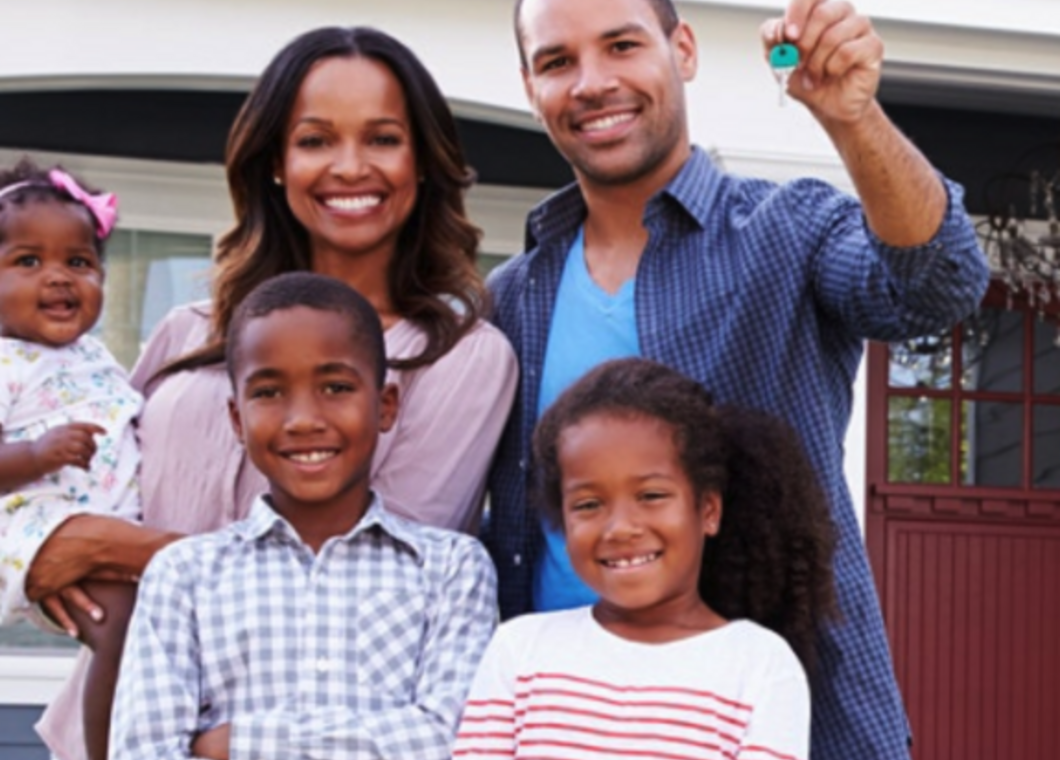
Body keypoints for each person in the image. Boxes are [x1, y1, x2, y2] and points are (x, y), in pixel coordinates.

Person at [483, 0, 990, 757]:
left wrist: (853, 120)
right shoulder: (512, 297)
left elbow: (936, 286)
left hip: (782, 729)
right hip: (560, 728)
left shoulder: (786, 232)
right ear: (531, 87)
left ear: (682, 49)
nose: (592, 82)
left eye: (622, 46)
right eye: (558, 61)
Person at [31, 26, 517, 760]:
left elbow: (372, 568)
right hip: (116, 725)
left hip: (321, 738)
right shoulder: (186, 332)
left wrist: (113, 549)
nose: (350, 167)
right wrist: (48, 550)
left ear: (422, 163)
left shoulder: (459, 356)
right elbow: (83, 499)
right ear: (277, 165)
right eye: (316, 140)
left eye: (382, 139)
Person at [109, 272, 498, 760]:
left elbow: (452, 737)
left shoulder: (450, 569)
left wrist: (235, 744)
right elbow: (144, 751)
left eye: (335, 387)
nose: (303, 419)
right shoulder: (184, 574)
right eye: (269, 393)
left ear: (385, 405)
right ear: (237, 418)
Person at [457, 358, 837, 759]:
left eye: (651, 496)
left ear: (708, 510)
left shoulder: (760, 666)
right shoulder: (519, 650)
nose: (620, 527)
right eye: (588, 504)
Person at [0, 160, 177, 760]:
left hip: (105, 522)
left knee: (156, 628)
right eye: (28, 262)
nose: (59, 279)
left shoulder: (94, 355)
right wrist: (33, 454)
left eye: (78, 263)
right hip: (35, 522)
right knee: (122, 627)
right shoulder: (3, 361)